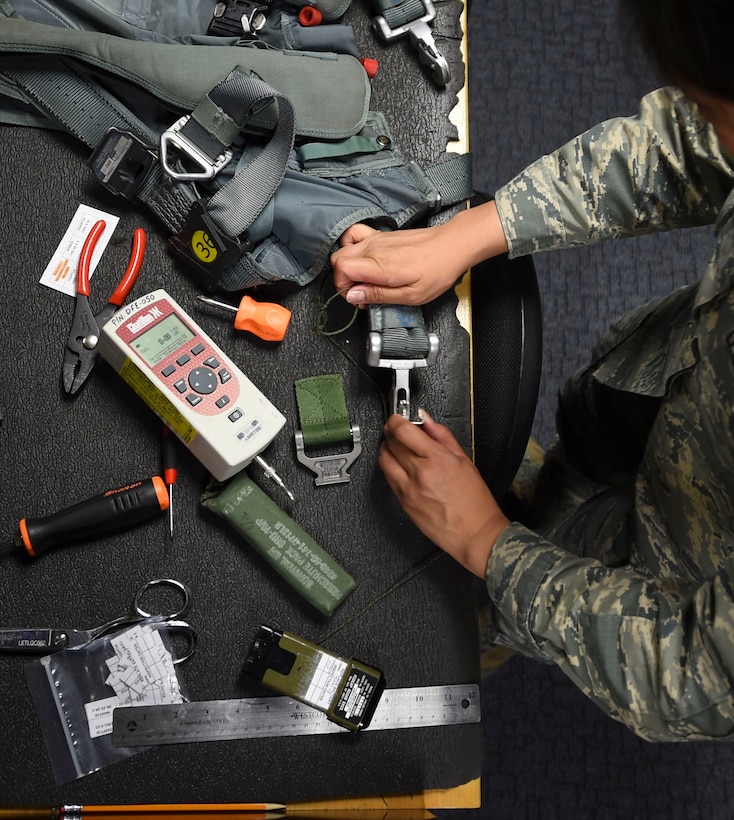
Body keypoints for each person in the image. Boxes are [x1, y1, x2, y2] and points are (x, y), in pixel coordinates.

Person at [330, 0, 734, 742]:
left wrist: (489, 546)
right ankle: (531, 500)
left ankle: (482, 613)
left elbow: (701, 672)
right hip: (659, 390)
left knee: (473, 607)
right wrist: (469, 235)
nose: (705, 125)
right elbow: (685, 150)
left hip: (670, 567)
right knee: (569, 452)